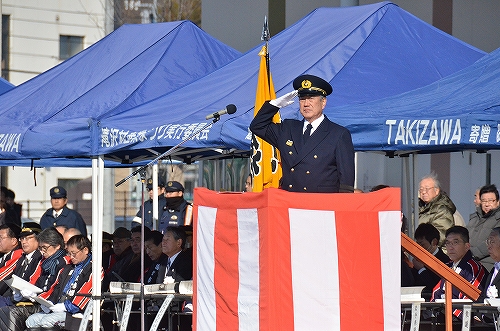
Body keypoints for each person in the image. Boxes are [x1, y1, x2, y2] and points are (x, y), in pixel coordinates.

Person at [249, 74, 355, 193]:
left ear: (323, 102)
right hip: (291, 202)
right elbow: (257, 126)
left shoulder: (338, 134)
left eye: (311, 98)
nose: (306, 104)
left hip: (321, 204)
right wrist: (274, 105)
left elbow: (346, 181)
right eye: (302, 99)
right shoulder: (288, 128)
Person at [0, 227, 70, 331]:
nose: (42, 251)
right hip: (39, 302)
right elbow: (37, 282)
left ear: (57, 246)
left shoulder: (63, 262)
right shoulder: (46, 261)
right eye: (41, 248)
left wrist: (38, 296)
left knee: (11, 312)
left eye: (45, 248)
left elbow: (55, 286)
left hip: (51, 304)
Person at [24, 235, 93, 331]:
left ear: (85, 250)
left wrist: (66, 306)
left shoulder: (93, 268)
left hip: (76, 312)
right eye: (69, 253)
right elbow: (56, 287)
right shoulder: (69, 267)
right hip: (59, 307)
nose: (71, 257)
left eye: (74, 253)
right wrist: (47, 302)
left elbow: (86, 293)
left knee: (46, 322)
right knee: (31, 321)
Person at [431, 226, 488, 318]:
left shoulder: (473, 267)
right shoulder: (448, 266)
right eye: (448, 243)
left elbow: (470, 299)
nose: (450, 247)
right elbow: (436, 292)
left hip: (461, 320)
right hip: (444, 315)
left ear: (467, 246)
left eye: (455, 242)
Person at [0, 223, 42, 308]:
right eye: (22, 238)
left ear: (38, 239)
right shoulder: (23, 257)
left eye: (28, 238)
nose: (24, 242)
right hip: (13, 298)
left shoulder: (39, 257)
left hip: (28, 302)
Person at [412, 223, 450, 300]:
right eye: (417, 244)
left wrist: (422, 270)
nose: (419, 248)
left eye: (422, 244)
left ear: (434, 242)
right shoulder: (417, 260)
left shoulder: (444, 261)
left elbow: (437, 286)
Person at [467, 184, 500, 272]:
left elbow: (492, 241)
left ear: (497, 202)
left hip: (489, 266)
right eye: (484, 201)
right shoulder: (474, 218)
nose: (487, 204)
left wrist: (471, 254)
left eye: (490, 200)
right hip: (470, 263)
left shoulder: (498, 219)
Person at [418, 173, 456, 246]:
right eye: (421, 189)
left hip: (435, 254)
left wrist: (418, 242)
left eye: (427, 188)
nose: (423, 192)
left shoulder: (442, 210)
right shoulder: (419, 208)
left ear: (437, 190)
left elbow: (440, 236)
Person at [478, 227, 500, 303]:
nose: (489, 246)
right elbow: (484, 296)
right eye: (488, 242)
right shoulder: (495, 268)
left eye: (492, 242)